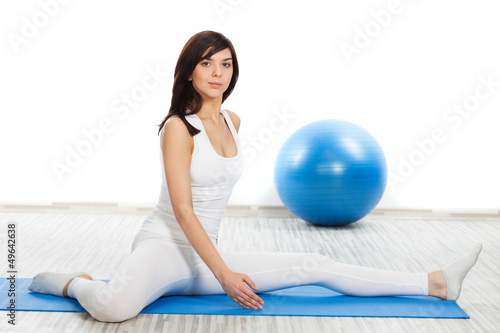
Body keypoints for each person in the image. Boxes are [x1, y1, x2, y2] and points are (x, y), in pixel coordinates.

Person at [28, 30, 482, 323]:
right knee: (113, 308)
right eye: (207, 63)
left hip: (208, 256)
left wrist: (221, 269)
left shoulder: (233, 121)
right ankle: (68, 281)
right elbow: (184, 212)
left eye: (225, 63)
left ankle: (434, 282)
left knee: (313, 266)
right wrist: (225, 275)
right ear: (189, 71)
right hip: (163, 249)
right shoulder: (176, 128)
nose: (217, 72)